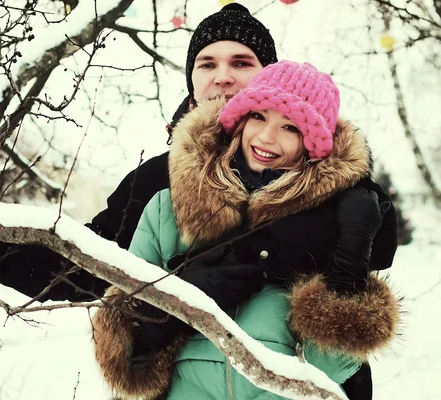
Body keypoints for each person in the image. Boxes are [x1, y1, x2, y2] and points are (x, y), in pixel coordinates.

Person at [0, 4, 393, 398]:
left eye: (241, 62)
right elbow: (86, 266)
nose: (222, 75)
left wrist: (267, 249)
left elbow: (372, 241)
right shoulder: (158, 184)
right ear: (192, 80)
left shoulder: (334, 183)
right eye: (207, 63)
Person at [91, 60, 400, 399]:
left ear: (311, 146)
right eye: (259, 116)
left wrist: (348, 268)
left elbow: (329, 373)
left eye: (291, 128)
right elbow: (122, 353)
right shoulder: (167, 208)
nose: (267, 137)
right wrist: (177, 300)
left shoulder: (327, 224)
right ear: (239, 119)